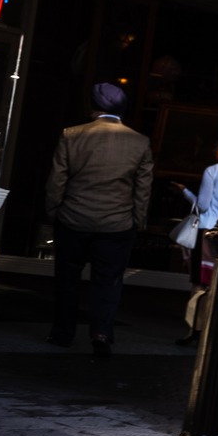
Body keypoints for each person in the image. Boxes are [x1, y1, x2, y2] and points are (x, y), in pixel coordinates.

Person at [44, 82, 154, 358]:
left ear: (94, 107)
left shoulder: (72, 135)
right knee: (107, 281)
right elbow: (142, 189)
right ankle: (101, 333)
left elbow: (57, 180)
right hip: (116, 225)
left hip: (73, 219)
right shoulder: (139, 142)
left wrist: (54, 211)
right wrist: (138, 220)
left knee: (67, 279)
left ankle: (62, 334)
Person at [173, 130, 218, 345]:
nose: (214, 151)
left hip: (207, 231)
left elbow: (203, 206)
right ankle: (214, 331)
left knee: (201, 284)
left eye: (217, 147)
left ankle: (195, 331)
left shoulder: (213, 171)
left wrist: (185, 192)